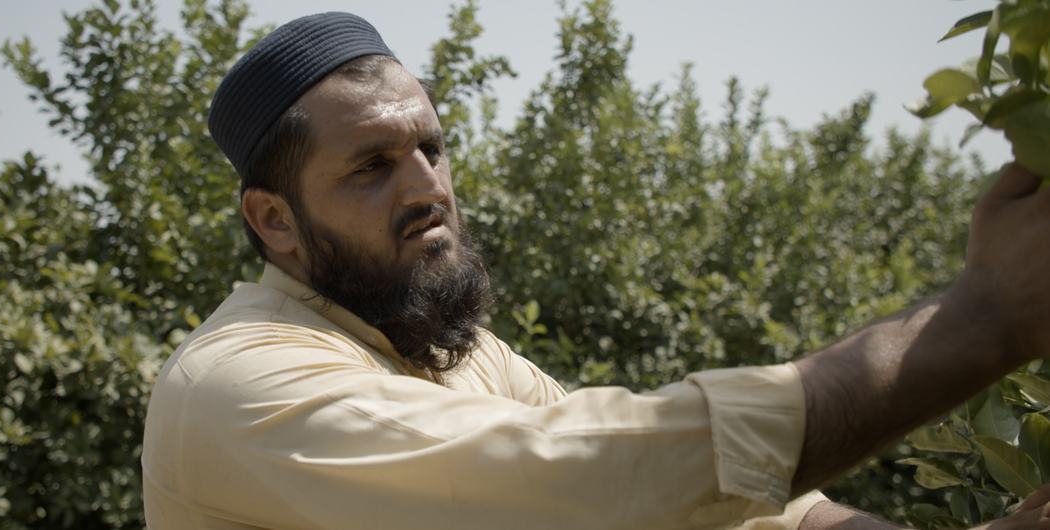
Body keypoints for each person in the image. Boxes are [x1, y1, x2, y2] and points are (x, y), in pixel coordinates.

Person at [141, 11, 1050, 529]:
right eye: (371, 167)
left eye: (432, 148)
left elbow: (689, 486)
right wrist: (983, 321)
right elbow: (596, 486)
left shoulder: (458, 358)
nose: (429, 189)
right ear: (274, 223)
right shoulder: (243, 384)